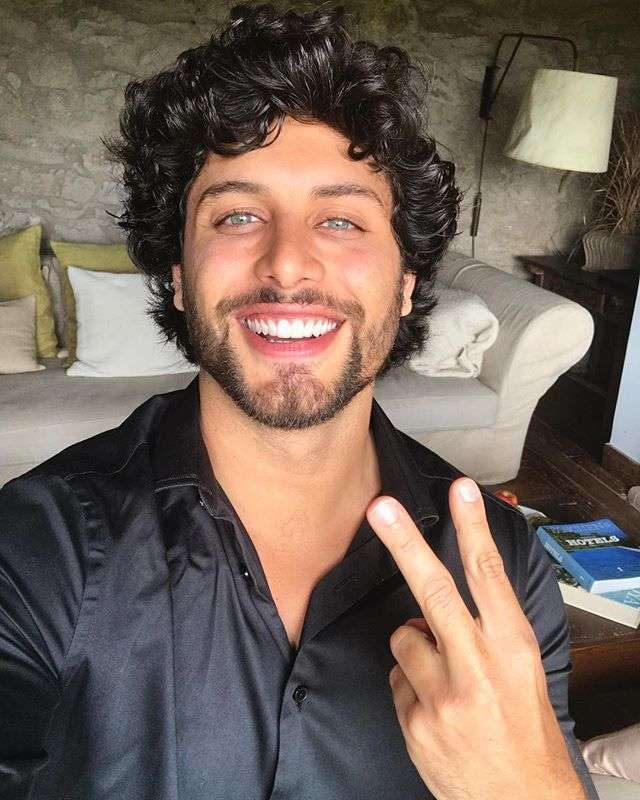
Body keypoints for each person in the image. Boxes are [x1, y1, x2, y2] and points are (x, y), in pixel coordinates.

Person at [0, 4, 598, 799]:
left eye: (342, 219)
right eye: (238, 215)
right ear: (179, 276)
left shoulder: (500, 564)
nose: (287, 263)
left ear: (407, 281)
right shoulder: (36, 551)